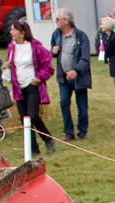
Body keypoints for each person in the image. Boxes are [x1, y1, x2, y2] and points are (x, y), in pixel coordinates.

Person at [7, 18, 55, 153]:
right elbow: (10, 63)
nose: (11, 32)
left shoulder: (35, 47)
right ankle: (33, 149)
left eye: (13, 29)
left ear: (21, 32)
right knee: (25, 120)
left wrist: (39, 78)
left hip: (32, 86)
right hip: (19, 88)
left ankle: (48, 140)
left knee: (33, 116)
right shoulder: (11, 47)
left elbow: (48, 66)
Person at [50, 7, 90, 140]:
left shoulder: (81, 36)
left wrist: (76, 71)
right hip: (63, 77)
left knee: (82, 106)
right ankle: (69, 132)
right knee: (64, 103)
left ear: (66, 21)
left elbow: (85, 58)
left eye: (57, 19)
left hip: (79, 77)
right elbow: (53, 52)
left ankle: (82, 132)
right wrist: (53, 51)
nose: (55, 21)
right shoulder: (56, 35)